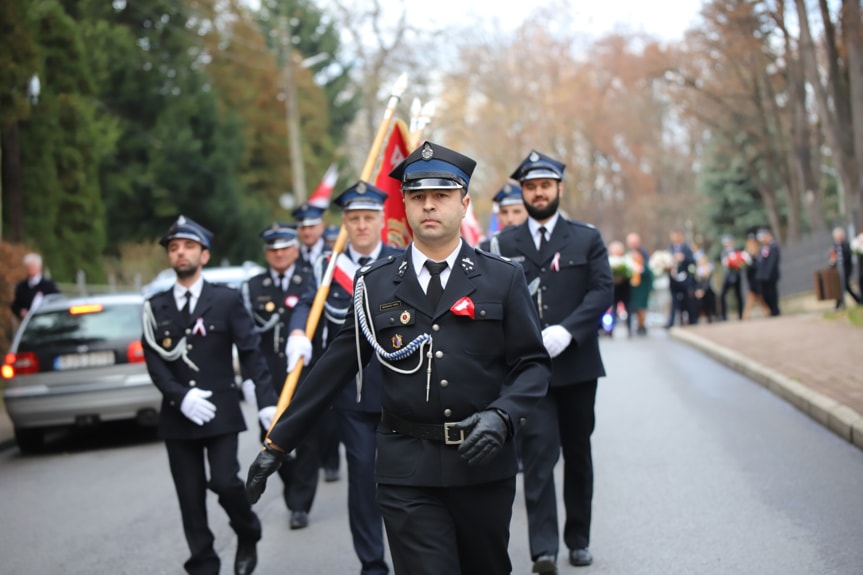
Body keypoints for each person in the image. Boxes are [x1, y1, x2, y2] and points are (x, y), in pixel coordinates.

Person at [246, 141, 552, 575]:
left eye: (442, 196)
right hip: (406, 469)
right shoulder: (374, 284)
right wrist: (277, 443)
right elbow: (333, 368)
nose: (429, 206)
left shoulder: (502, 277)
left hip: (481, 465)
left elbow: (533, 365)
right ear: (403, 207)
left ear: (464, 204)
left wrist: (503, 417)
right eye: (417, 197)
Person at [494, 149, 613, 573]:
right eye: (531, 187)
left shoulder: (586, 238)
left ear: (558, 189)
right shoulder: (503, 244)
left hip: (578, 365)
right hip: (530, 372)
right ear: (523, 193)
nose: (538, 193)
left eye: (545, 186)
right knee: (539, 456)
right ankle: (543, 549)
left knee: (578, 454)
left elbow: (602, 292)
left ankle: (578, 539)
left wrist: (568, 330)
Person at [142, 215, 277, 575]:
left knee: (223, 481)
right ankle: (203, 565)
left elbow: (251, 352)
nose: (180, 253)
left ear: (204, 255)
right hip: (177, 415)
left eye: (188, 246)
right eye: (174, 248)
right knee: (189, 498)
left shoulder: (226, 300)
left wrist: (266, 401)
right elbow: (154, 361)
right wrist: (179, 397)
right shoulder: (154, 307)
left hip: (220, 412)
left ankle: (247, 530)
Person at [288, 181, 402, 575]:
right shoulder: (326, 269)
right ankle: (372, 563)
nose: (361, 226)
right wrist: (297, 332)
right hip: (352, 396)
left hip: (399, 391)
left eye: (368, 218)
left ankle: (411, 558)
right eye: (353, 219)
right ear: (345, 223)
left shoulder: (401, 262)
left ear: (382, 220)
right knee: (363, 478)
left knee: (403, 482)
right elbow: (305, 303)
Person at [241, 222, 322, 531]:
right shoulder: (253, 287)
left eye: (285, 248)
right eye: (273, 249)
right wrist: (249, 378)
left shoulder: (310, 278)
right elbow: (247, 338)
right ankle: (290, 490)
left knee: (308, 438)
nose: (279, 254)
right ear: (265, 253)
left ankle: (301, 504)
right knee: (273, 435)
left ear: (295, 249)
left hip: (305, 370)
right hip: (268, 373)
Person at [291, 202, 341, 481]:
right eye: (303, 227)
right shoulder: (292, 257)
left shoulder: (334, 254)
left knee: (331, 405)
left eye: (312, 226)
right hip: (302, 343)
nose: (307, 231)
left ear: (321, 227)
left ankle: (331, 457)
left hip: (330, 341)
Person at [478, 182, 527, 252]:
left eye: (516, 212)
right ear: (498, 215)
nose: (510, 219)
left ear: (528, 214)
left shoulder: (538, 243)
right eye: (504, 212)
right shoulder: (486, 249)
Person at [10, 252, 60, 319]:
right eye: (28, 267)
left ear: (39, 267)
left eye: (33, 266)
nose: (30, 269)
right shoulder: (21, 286)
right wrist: (21, 311)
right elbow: (15, 305)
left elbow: (56, 300)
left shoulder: (49, 285)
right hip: (28, 322)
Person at [665, 229, 697, 327]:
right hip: (673, 279)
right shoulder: (670, 248)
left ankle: (692, 320)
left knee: (688, 300)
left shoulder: (687, 248)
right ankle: (671, 322)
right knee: (674, 301)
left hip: (685, 279)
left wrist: (683, 258)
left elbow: (693, 262)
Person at [625, 233, 652, 335]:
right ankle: (632, 326)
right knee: (632, 307)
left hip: (642, 284)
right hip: (631, 285)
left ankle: (642, 325)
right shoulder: (627, 254)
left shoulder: (643, 253)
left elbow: (648, 269)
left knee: (642, 307)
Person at [829, 226, 860, 308]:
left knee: (844, 285)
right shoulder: (835, 246)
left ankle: (839, 304)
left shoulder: (846, 245)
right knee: (843, 286)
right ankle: (858, 300)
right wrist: (832, 262)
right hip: (838, 270)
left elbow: (846, 256)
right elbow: (833, 257)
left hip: (846, 268)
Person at [292, 203, 327, 273]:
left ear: (322, 226)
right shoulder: (291, 255)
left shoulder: (332, 253)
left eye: (311, 227)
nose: (306, 232)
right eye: (303, 228)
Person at [719, 235, 746, 321]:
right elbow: (724, 263)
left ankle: (741, 315)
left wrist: (734, 262)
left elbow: (741, 262)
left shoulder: (737, 250)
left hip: (736, 274)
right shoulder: (724, 252)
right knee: (722, 294)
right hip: (728, 274)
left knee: (738, 295)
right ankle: (723, 316)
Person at [756, 228, 781, 316]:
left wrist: (768, 274)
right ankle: (770, 310)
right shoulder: (763, 247)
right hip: (763, 276)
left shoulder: (773, 246)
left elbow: (772, 262)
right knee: (765, 294)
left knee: (772, 293)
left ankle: (775, 310)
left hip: (771, 275)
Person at [693, 253, 717, 323]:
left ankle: (710, 315)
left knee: (708, 297)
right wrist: (697, 290)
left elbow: (708, 283)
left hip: (707, 289)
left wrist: (703, 290)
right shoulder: (697, 270)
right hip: (699, 289)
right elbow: (696, 282)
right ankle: (696, 317)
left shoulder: (709, 268)